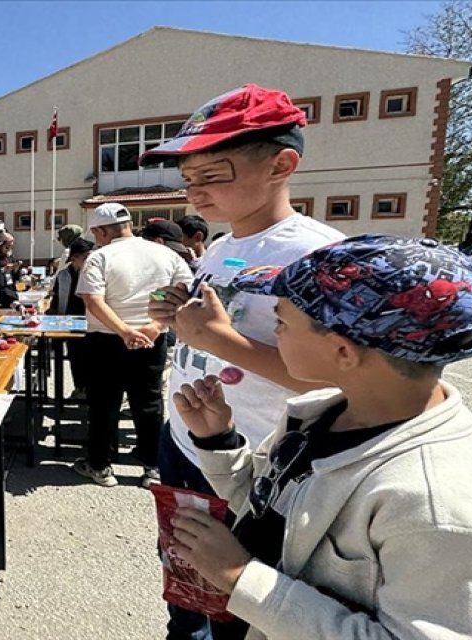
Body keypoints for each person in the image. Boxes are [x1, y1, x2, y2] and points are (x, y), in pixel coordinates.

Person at [170, 235, 472, 640]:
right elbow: (276, 511)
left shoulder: (444, 507)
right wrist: (219, 442)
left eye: (281, 323)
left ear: (343, 352)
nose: (274, 335)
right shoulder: (321, 416)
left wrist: (241, 577)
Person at [142, 84, 345, 640]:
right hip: (189, 442)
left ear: (282, 164)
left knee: (236, 606)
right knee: (187, 588)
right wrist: (178, 318)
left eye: (213, 176)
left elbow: (342, 378)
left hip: (252, 467)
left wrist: (216, 340)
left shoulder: (316, 255)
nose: (195, 195)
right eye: (188, 181)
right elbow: (214, 324)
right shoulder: (223, 244)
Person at [73, 203, 192, 487]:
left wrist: (124, 331)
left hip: (106, 339)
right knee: (149, 403)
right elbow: (184, 290)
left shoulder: (100, 257)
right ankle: (153, 467)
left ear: (102, 230)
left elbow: (93, 300)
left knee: (104, 403)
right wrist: (155, 324)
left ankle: (100, 465)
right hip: (152, 336)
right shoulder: (165, 253)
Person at [47, 238, 95, 399]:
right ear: (74, 258)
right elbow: (56, 299)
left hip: (92, 322)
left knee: (91, 359)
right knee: (75, 357)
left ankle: (90, 389)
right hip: (69, 322)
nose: (89, 261)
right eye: (86, 257)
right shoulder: (63, 275)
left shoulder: (94, 274)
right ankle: (79, 387)